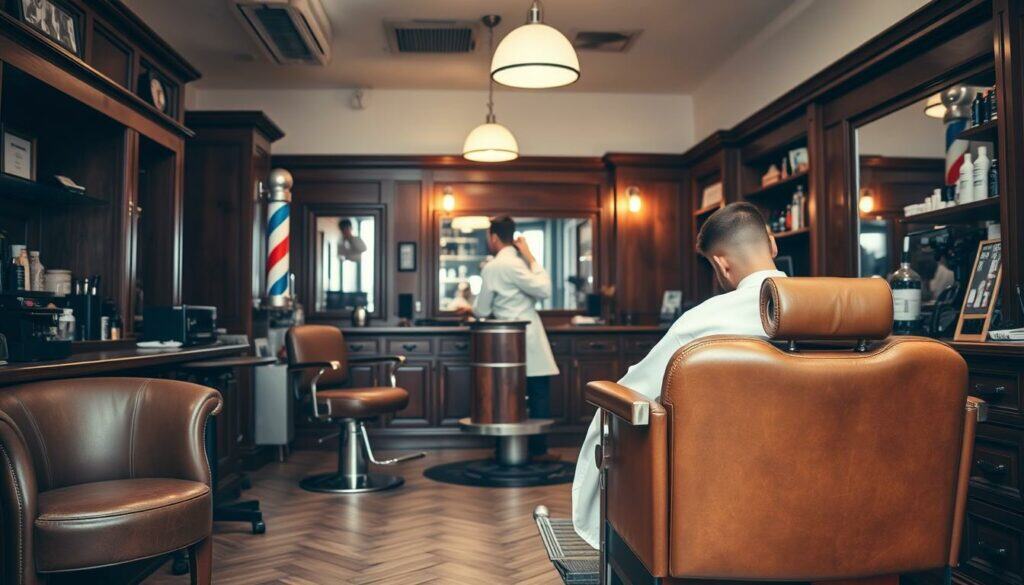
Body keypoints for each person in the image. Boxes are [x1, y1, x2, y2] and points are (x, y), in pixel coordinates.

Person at [571, 202, 786, 548]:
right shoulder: (840, 312)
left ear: (721, 264)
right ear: (772, 244)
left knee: (613, 411)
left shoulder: (702, 321)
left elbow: (638, 389)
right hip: (817, 479)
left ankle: (612, 544)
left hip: (723, 482)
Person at [457, 216, 559, 457]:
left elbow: (483, 311)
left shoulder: (495, 266)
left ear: (493, 237)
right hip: (528, 335)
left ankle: (504, 447)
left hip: (504, 341)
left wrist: (470, 309)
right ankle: (538, 450)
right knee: (538, 391)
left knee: (504, 394)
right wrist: (530, 258)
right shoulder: (518, 264)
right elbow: (542, 288)